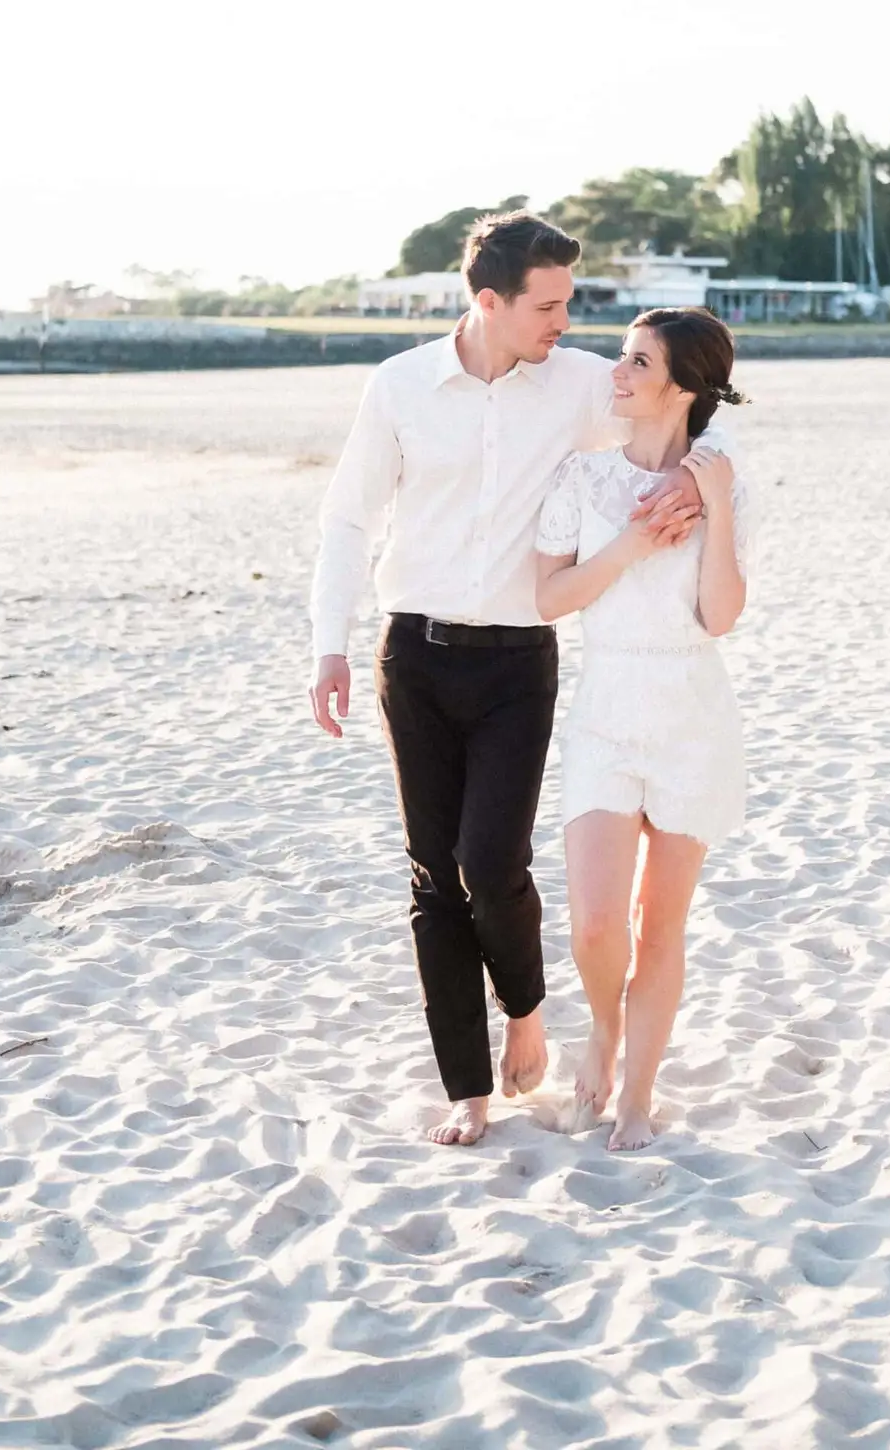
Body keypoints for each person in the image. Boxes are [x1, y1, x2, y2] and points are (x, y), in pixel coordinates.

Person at [308, 213, 734, 1147]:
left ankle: (528, 1008)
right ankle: (467, 1088)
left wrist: (706, 482)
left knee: (492, 864)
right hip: (411, 651)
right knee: (432, 875)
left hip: (516, 661)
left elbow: (686, 405)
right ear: (488, 302)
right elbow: (347, 519)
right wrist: (328, 646)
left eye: (568, 302)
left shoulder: (583, 380)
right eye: (548, 304)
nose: (565, 320)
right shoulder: (401, 387)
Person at [535, 308, 748, 1152]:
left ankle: (638, 1096)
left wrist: (721, 504)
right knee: (594, 924)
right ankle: (603, 1028)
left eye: (635, 361)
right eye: (622, 357)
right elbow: (550, 601)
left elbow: (720, 615)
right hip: (606, 714)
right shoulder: (583, 479)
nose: (615, 374)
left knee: (660, 925)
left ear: (684, 386)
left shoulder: (725, 479)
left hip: (692, 716)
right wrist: (627, 545)